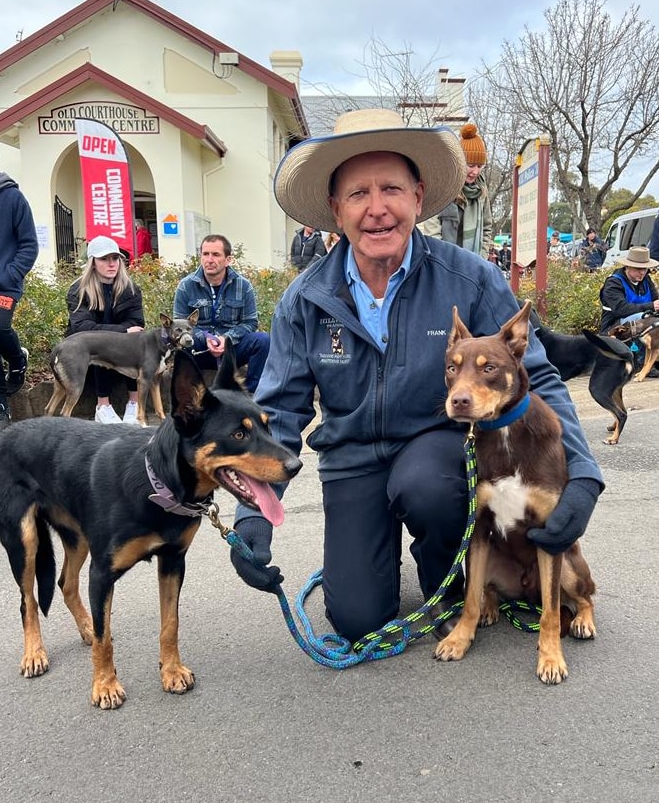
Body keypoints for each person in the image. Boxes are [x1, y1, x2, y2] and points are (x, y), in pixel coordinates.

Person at [228, 107, 604, 645]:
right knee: (357, 619)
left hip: (434, 449)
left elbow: (536, 377)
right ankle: (380, 562)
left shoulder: (470, 278)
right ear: (336, 209)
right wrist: (253, 514)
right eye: (358, 194)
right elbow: (279, 412)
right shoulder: (303, 300)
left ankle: (446, 582)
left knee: (430, 486)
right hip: (351, 458)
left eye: (392, 190)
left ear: (419, 198)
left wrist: (584, 475)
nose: (377, 209)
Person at [173, 234, 270, 393]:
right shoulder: (186, 286)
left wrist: (226, 339)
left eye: (216, 254)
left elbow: (250, 323)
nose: (209, 259)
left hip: (232, 350)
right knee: (181, 344)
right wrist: (206, 339)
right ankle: (189, 396)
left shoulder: (243, 286)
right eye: (205, 254)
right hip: (199, 348)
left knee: (263, 341)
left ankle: (252, 394)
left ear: (228, 260)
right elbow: (179, 325)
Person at [66, 235, 145, 424]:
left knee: (140, 341)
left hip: (121, 351)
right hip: (85, 350)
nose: (112, 264)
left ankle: (134, 403)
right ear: (93, 263)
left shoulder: (130, 288)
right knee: (101, 343)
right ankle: (103, 406)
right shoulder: (78, 290)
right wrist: (122, 333)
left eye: (115, 258)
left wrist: (124, 334)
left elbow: (137, 322)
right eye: (104, 259)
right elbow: (82, 328)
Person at [0, 172, 38, 429]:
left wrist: (9, 275)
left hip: (4, 286)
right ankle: (1, 403)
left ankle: (16, 359)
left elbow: (29, 245)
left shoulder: (13, 197)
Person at [421, 124, 493, 257]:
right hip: (444, 261)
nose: (475, 172)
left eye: (480, 166)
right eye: (470, 165)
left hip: (474, 263)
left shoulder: (481, 191)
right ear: (460, 163)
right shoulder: (442, 187)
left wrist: (481, 257)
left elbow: (487, 228)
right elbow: (432, 233)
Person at [599, 246, 659, 338]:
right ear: (627, 266)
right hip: (613, 328)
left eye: (645, 269)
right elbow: (621, 309)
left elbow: (655, 300)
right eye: (638, 269)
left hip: (641, 325)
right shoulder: (613, 283)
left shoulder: (646, 279)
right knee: (645, 317)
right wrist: (651, 306)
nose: (642, 273)